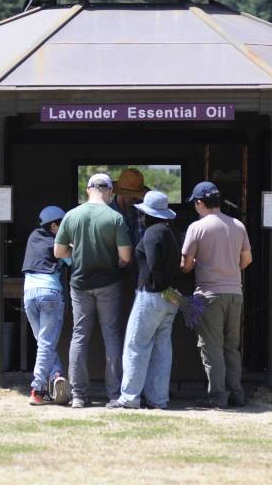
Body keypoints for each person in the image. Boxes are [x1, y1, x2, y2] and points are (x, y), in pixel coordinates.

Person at [54, 173, 133, 408]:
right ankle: (114, 394)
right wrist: (115, 261)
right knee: (112, 336)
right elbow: (126, 257)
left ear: (88, 189)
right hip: (109, 283)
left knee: (79, 337)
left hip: (79, 284)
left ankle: (78, 395)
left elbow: (58, 252)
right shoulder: (115, 218)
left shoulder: (71, 215)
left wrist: (76, 256)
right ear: (109, 191)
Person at [181, 181, 252, 409]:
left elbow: (186, 264)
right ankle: (237, 394)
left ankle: (218, 397)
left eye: (195, 203)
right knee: (231, 347)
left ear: (200, 203)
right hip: (235, 293)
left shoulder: (197, 227)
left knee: (211, 348)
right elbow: (247, 260)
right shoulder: (238, 225)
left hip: (209, 293)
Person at [108, 191, 181, 410]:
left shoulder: (151, 234)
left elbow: (153, 264)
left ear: (147, 214)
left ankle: (130, 397)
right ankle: (158, 399)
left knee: (135, 346)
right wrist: (166, 287)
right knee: (161, 349)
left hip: (150, 295)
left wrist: (155, 284)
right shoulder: (172, 232)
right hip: (169, 297)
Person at [21, 205, 71, 406]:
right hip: (50, 293)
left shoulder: (33, 236)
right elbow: (73, 260)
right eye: (64, 225)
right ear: (54, 226)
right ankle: (38, 389)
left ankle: (57, 375)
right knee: (47, 343)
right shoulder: (58, 243)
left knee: (44, 343)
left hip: (29, 294)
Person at [110, 167, 150, 247]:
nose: (136, 198)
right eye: (133, 195)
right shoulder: (108, 213)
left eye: (138, 195)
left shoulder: (141, 209)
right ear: (121, 192)